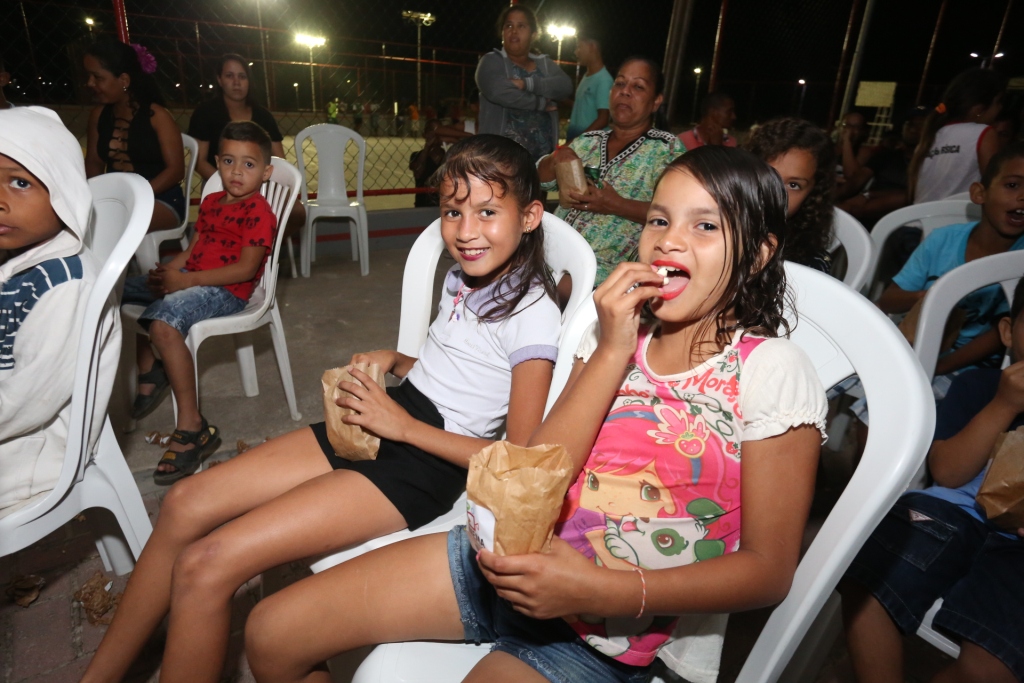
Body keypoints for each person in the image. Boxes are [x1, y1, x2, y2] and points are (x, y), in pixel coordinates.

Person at [242, 145, 827, 683]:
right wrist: (613, 350)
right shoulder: (611, 334)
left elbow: (768, 571)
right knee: (271, 632)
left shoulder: (772, 371)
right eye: (658, 220)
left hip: (606, 631)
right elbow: (536, 467)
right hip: (501, 561)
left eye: (705, 226)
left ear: (757, 253)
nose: (669, 241)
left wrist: (601, 591)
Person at [82, 134, 562, 683]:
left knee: (207, 563)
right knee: (184, 503)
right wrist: (398, 360)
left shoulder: (532, 315)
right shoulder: (464, 277)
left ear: (529, 217)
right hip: (392, 415)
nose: (466, 231)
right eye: (453, 211)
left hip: (426, 464)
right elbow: (464, 374)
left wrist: (403, 427)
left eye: (487, 211)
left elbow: (518, 462)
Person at [840, 277, 1024, 683]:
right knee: (868, 580)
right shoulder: (981, 387)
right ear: (1009, 332)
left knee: (992, 665)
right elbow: (948, 472)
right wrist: (1005, 404)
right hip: (953, 513)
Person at [121, 121, 279, 484]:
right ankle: (151, 367)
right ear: (217, 162)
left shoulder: (258, 212)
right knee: (116, 291)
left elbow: (246, 268)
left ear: (266, 172)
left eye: (249, 164)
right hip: (192, 277)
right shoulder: (211, 201)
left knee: (163, 325)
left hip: (228, 290)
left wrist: (185, 281)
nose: (236, 171)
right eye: (228, 161)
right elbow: (194, 249)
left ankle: (192, 427)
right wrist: (169, 272)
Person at [0, 106, 121, 519]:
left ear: (63, 189)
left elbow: (27, 403)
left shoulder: (65, 285)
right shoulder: (18, 258)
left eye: (20, 183)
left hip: (30, 458)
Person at [878, 142, 1024, 384]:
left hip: (970, 368)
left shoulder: (1019, 259)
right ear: (979, 193)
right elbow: (889, 300)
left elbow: (999, 334)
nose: (1022, 196)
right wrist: (934, 297)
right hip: (913, 348)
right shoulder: (942, 240)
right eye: (1012, 185)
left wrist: (937, 366)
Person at [537, 57, 685, 285]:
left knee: (543, 288)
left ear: (656, 101)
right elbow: (540, 180)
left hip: (604, 270)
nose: (625, 91)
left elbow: (679, 214)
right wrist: (556, 158)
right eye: (620, 83)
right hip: (547, 250)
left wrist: (615, 204)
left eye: (638, 86)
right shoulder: (588, 140)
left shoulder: (667, 149)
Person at [83, 39, 185, 233]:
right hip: (117, 199)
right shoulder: (99, 115)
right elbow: (94, 163)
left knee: (110, 225)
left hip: (161, 199)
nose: (90, 83)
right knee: (84, 220)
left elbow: (176, 171)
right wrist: (96, 197)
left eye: (97, 77)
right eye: (88, 76)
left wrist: (134, 196)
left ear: (124, 80)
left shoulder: (157, 116)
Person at [476, 4, 573, 161]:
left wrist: (527, 84)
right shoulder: (491, 61)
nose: (514, 31)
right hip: (500, 160)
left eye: (521, 26)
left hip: (542, 161)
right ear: (502, 32)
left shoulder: (544, 64)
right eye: (509, 26)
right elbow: (498, 91)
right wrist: (539, 103)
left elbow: (564, 86)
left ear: (533, 35)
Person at [745, 117, 835, 273]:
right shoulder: (713, 230)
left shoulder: (810, 266)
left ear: (812, 194)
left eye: (793, 185)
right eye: (767, 176)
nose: (776, 192)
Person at [910, 68, 1006, 204]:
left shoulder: (932, 134)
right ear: (979, 109)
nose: (1000, 108)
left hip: (920, 215)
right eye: (998, 102)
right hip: (958, 215)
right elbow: (995, 184)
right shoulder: (983, 133)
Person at [186, 54, 285, 182]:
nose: (236, 82)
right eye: (229, 76)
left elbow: (280, 160)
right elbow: (199, 162)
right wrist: (227, 184)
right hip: (217, 182)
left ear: (249, 81)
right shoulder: (205, 113)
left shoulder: (263, 116)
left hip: (259, 184)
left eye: (242, 76)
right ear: (220, 80)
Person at [838, 106, 927, 226]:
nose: (913, 128)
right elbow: (856, 181)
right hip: (868, 211)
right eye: (909, 123)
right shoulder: (886, 156)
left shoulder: (930, 161)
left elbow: (912, 194)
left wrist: (868, 196)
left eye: (920, 125)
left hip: (902, 216)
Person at [565, 33, 613, 143]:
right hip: (578, 141)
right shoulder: (587, 76)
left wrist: (577, 141)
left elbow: (603, 119)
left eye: (579, 47)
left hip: (590, 145)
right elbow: (585, 109)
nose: (576, 52)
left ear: (592, 47)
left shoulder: (604, 80)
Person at [410, 118, 444, 207]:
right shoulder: (416, 156)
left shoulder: (448, 155)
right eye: (431, 130)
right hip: (423, 204)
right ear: (424, 134)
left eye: (439, 130)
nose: (435, 134)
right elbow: (418, 173)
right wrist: (427, 147)